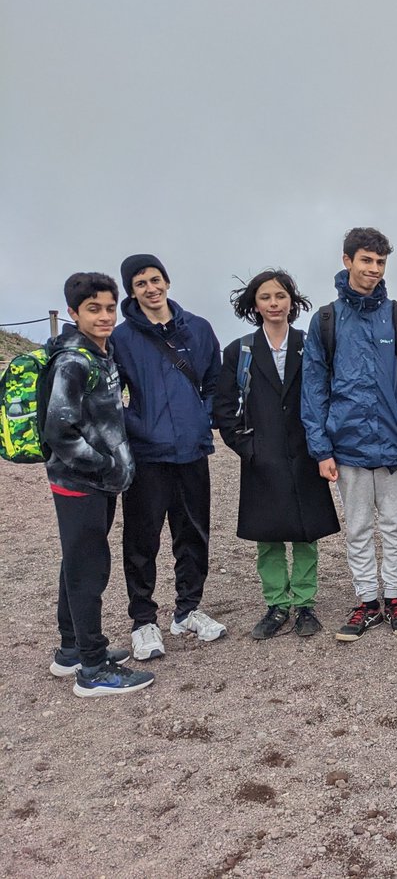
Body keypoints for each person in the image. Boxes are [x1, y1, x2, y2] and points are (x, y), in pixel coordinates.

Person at [301, 228, 397, 642]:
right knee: (356, 528)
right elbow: (314, 389)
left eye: (379, 262)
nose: (372, 269)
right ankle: (367, 601)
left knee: (395, 525)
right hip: (347, 446)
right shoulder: (326, 320)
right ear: (347, 260)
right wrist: (321, 449)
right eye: (366, 260)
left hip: (394, 447)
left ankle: (393, 596)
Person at [213, 270, 341, 639]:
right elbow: (224, 408)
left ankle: (305, 604)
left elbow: (326, 393)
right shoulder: (240, 350)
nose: (274, 303)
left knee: (305, 533)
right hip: (262, 455)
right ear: (255, 304)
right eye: (266, 297)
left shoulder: (309, 342)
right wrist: (248, 449)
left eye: (281, 296)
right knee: (267, 536)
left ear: (292, 301)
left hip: (305, 452)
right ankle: (276, 604)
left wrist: (323, 445)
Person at [44, 272, 154, 696]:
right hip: (81, 481)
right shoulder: (73, 361)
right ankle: (93, 668)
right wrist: (106, 466)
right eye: (94, 309)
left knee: (76, 562)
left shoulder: (99, 354)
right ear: (73, 313)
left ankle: (70, 649)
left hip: (96, 482)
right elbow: (60, 430)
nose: (105, 316)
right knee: (89, 570)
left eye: (110, 308)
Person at [114, 253, 225, 661]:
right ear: (131, 290)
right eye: (140, 282)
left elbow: (215, 380)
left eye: (155, 279)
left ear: (167, 281)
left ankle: (188, 610)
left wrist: (204, 417)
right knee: (142, 540)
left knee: (194, 534)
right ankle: (144, 621)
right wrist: (136, 423)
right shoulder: (122, 338)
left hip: (192, 450)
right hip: (147, 454)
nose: (150, 288)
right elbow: (111, 393)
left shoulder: (197, 328)